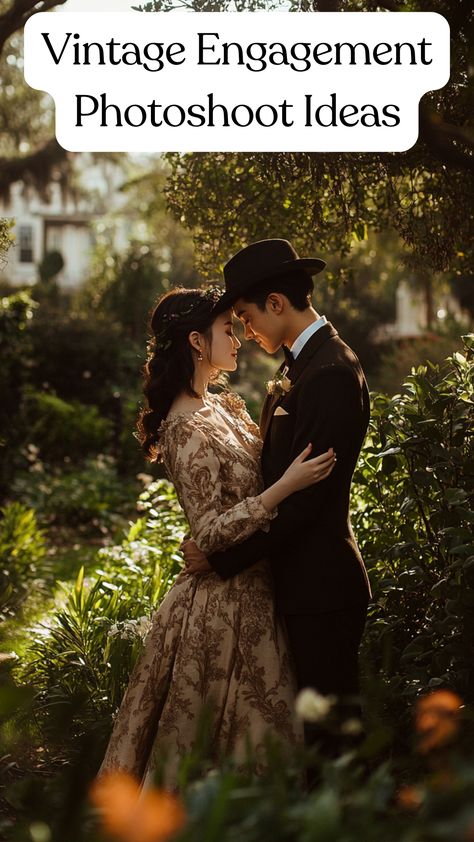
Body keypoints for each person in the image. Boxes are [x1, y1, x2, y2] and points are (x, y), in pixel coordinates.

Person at [97, 285, 336, 789]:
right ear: (196, 342)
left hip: (260, 585)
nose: (238, 338)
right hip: (222, 605)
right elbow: (208, 532)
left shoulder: (223, 406)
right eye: (228, 329)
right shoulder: (182, 426)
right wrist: (286, 488)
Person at [181, 240, 372, 747]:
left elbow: (307, 504)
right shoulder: (298, 365)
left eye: (246, 316)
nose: (246, 330)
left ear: (276, 303)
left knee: (334, 742)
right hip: (297, 584)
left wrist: (222, 558)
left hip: (322, 586)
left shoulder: (330, 371)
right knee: (311, 738)